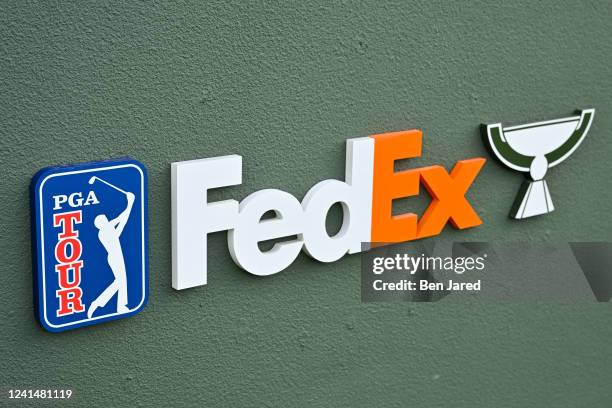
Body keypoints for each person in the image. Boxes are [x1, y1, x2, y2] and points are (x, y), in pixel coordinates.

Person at [87, 192, 135, 318]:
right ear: (101, 224)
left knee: (121, 281)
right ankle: (99, 302)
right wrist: (130, 203)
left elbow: (119, 218)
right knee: (120, 281)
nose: (106, 219)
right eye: (104, 219)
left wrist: (130, 203)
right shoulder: (105, 233)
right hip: (115, 257)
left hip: (116, 256)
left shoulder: (107, 228)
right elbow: (122, 223)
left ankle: (120, 306)